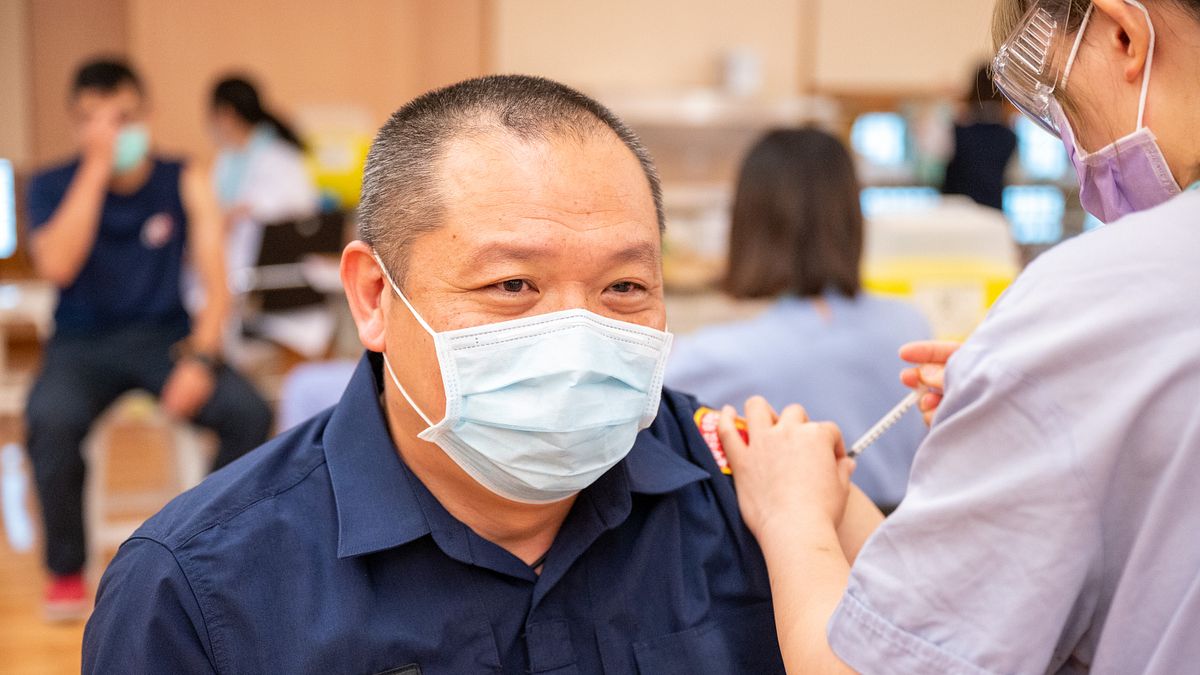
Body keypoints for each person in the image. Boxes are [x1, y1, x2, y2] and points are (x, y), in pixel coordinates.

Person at [80, 75, 886, 673]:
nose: (578, 334)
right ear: (373, 297)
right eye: (512, 285)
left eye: (626, 287)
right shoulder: (199, 592)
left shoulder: (759, 498)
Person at [716, 0, 1200, 672]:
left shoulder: (1089, 302)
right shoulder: (915, 325)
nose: (1083, 168)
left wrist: (791, 512)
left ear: (1124, 35)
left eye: (1065, 111)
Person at [24, 58, 273, 621]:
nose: (111, 131)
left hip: (165, 338)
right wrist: (95, 168)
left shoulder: (184, 177)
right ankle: (65, 570)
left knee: (247, 411)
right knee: (50, 420)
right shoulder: (50, 185)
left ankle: (210, 545)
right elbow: (58, 266)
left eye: (123, 117)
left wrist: (203, 359)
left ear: (147, 115)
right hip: (80, 344)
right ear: (76, 124)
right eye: (93, 119)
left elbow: (216, 285)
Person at [666, 129, 930, 510]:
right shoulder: (910, 326)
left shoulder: (722, 355)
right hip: (900, 544)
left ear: (748, 221)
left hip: (793, 551)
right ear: (852, 215)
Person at [208, 75, 318, 280]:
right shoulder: (226, 159)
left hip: (271, 274)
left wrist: (244, 210)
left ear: (226, 114)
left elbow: (300, 207)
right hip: (233, 271)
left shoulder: (281, 157)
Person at [941, 64, 1019, 210]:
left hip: (956, 210)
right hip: (993, 209)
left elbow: (935, 153)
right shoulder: (1009, 135)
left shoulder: (958, 129)